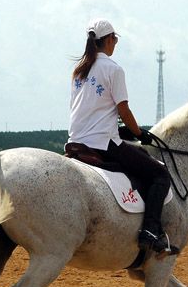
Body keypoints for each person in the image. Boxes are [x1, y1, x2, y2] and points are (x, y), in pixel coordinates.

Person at [68, 19, 172, 252]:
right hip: (102, 143)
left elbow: (91, 110)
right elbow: (123, 110)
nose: (115, 43)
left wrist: (121, 130)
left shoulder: (79, 70)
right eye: (114, 39)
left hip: (75, 140)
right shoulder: (113, 69)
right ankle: (149, 230)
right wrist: (139, 133)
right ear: (107, 40)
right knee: (160, 175)